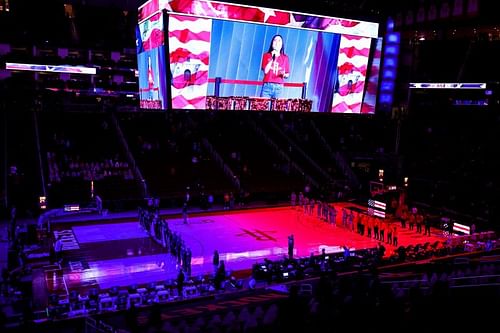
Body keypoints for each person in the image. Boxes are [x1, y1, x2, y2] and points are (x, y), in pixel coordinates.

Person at [260, 34, 290, 99]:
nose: (277, 42)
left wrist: (284, 74)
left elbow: (287, 74)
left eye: (279, 41)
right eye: (275, 40)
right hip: (267, 86)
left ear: (282, 45)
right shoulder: (266, 55)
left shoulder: (285, 58)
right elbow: (266, 71)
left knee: (278, 108)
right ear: (272, 43)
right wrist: (272, 58)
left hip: (279, 87)